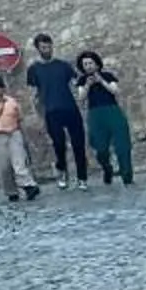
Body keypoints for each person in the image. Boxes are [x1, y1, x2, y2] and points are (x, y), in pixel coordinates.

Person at [23, 33, 88, 186]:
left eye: (49, 46)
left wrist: (80, 102)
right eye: (43, 47)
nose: (47, 50)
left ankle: (82, 177)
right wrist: (39, 115)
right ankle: (62, 171)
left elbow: (74, 85)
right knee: (59, 144)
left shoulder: (63, 65)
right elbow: (34, 94)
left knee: (79, 143)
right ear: (38, 49)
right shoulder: (34, 69)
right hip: (51, 112)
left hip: (70, 109)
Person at [0, 74, 38, 203]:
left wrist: (24, 136)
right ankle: (11, 192)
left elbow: (19, 119)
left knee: (19, 162)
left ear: (2, 88)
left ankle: (29, 186)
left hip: (14, 134)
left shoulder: (11, 101)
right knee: (3, 167)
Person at [78, 51, 134, 185]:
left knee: (122, 145)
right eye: (85, 64)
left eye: (90, 63)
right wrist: (88, 85)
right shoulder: (82, 80)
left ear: (97, 64)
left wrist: (101, 81)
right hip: (95, 114)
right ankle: (107, 168)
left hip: (112, 110)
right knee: (100, 148)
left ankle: (127, 176)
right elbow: (81, 98)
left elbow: (115, 91)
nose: (88, 66)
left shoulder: (107, 76)